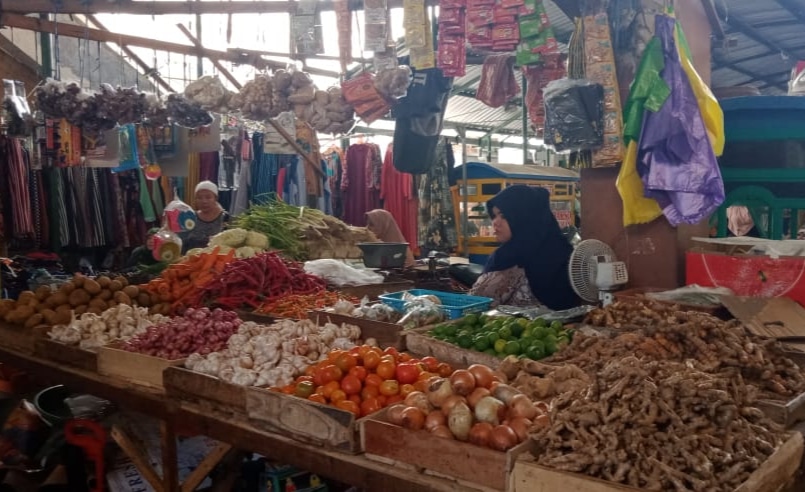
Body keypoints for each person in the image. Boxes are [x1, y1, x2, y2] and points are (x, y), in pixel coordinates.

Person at [470, 185, 579, 310]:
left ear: (524, 216)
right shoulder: (563, 248)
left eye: (504, 216)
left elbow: (474, 306)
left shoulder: (509, 257)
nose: (495, 222)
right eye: (494, 216)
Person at [181, 181, 228, 252]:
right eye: (199, 198)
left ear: (216, 198)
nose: (204, 201)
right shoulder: (190, 218)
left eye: (208, 197)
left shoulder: (225, 218)